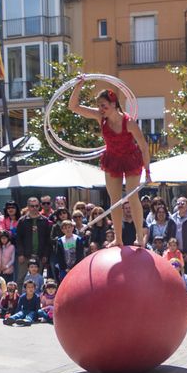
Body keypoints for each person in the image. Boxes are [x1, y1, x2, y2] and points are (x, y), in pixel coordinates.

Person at [68, 78, 151, 247]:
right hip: (112, 159)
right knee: (115, 200)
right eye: (99, 106)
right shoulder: (101, 118)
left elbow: (144, 147)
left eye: (104, 105)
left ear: (114, 104)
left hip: (131, 160)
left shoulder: (128, 122)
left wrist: (148, 172)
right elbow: (73, 107)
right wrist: (79, 85)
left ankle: (139, 237)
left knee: (132, 196)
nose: (101, 109)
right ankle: (118, 238)